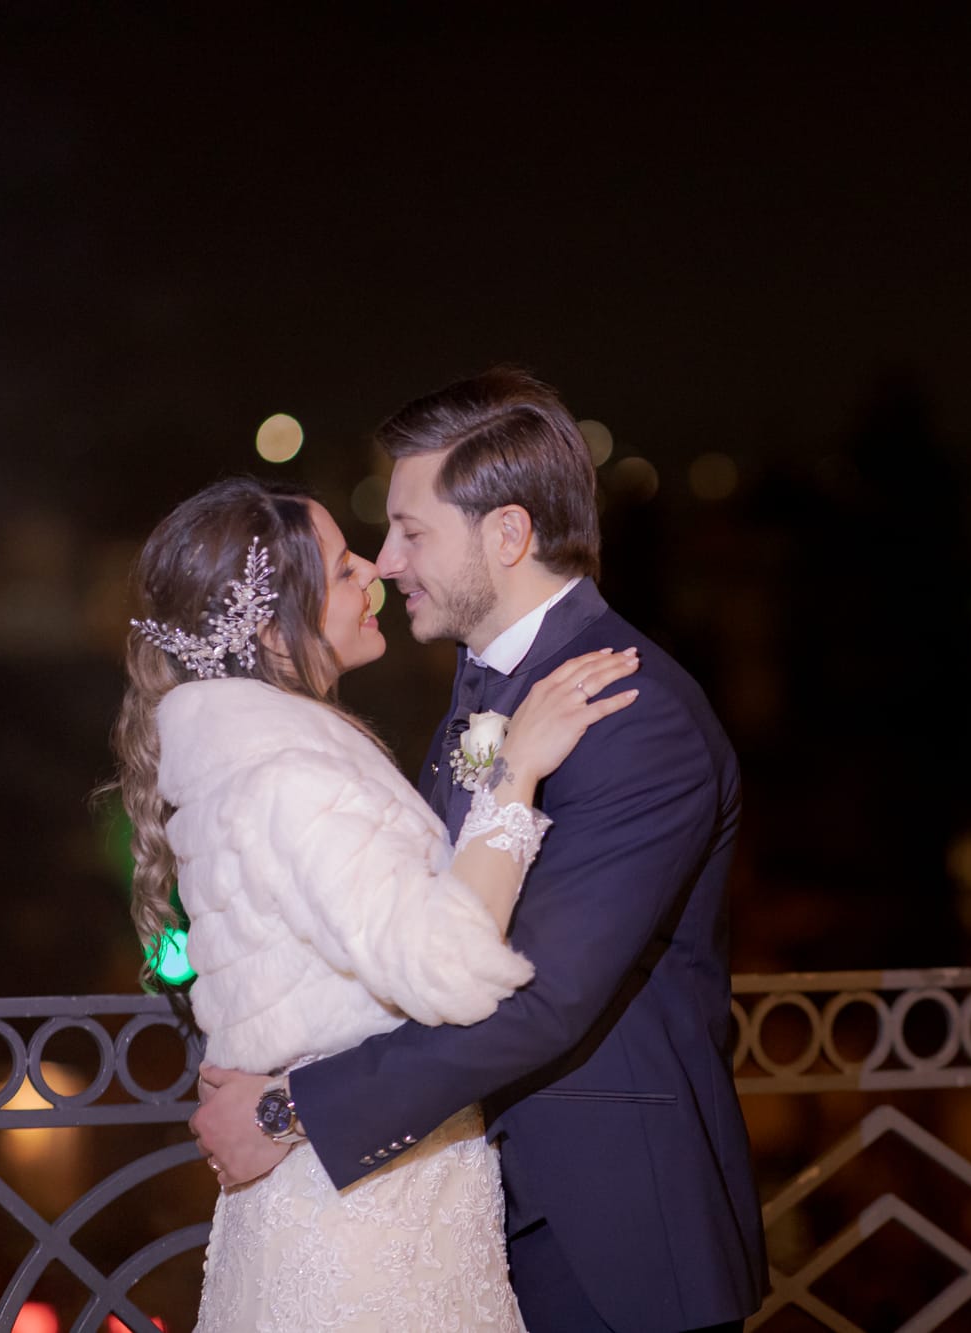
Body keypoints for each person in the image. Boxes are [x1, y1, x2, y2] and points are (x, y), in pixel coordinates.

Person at [191, 368, 769, 1332]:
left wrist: (292, 1111)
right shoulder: (487, 689)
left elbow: (538, 993)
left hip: (612, 1240)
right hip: (487, 1220)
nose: (386, 558)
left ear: (506, 535)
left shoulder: (633, 711)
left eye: (412, 530)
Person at [113, 475, 640, 1330]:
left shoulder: (258, 756)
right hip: (368, 1227)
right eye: (344, 563)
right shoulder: (293, 773)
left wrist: (497, 737)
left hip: (344, 1192)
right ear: (272, 624)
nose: (377, 572)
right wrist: (517, 775)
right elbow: (451, 966)